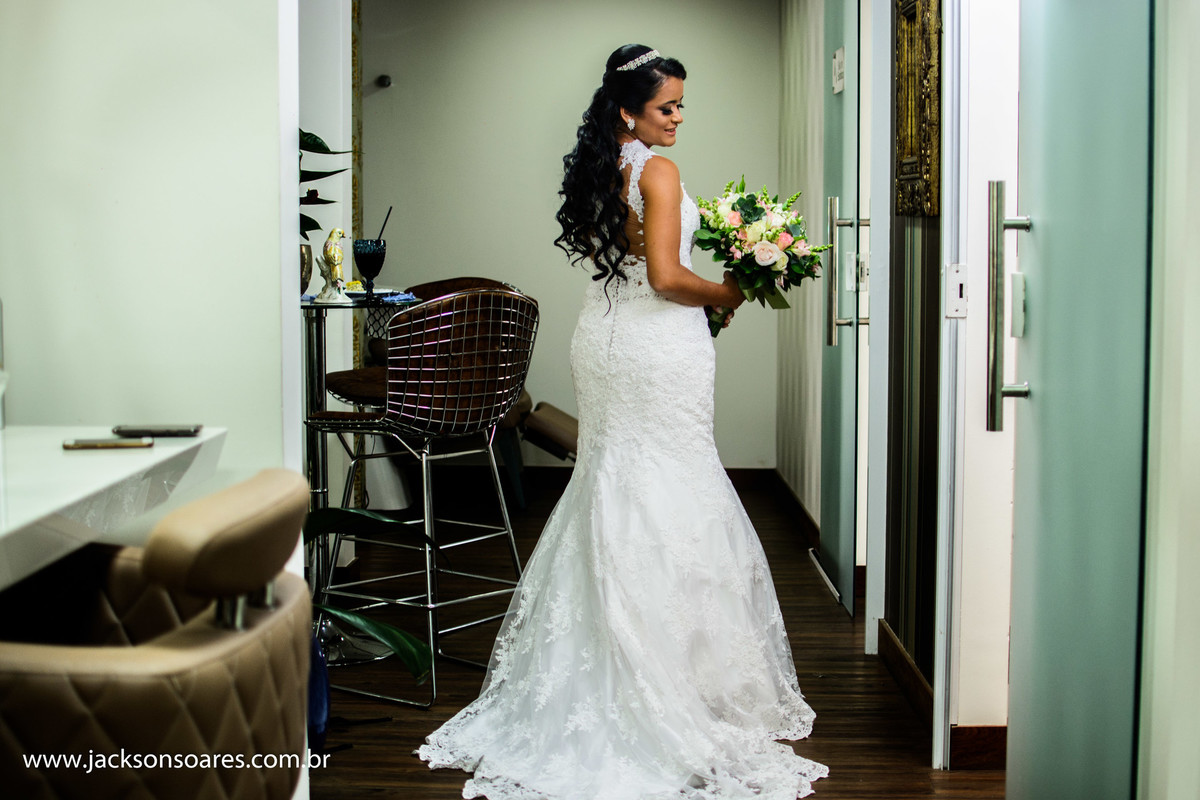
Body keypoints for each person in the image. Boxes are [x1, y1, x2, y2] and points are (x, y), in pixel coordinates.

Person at [418, 44, 828, 799]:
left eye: (681, 106)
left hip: (604, 340)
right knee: (672, 482)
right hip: (657, 348)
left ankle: (610, 657)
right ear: (629, 109)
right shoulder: (658, 171)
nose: (678, 118)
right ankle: (671, 679)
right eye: (668, 106)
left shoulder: (598, 168)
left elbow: (633, 267)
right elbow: (668, 278)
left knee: (612, 480)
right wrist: (731, 291)